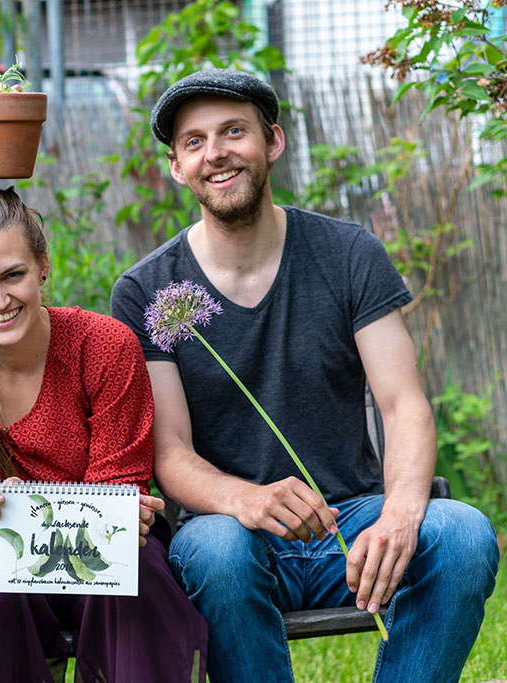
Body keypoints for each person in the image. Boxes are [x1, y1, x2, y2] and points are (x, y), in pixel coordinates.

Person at [111, 68, 500, 682]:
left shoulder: (348, 255)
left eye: (234, 131)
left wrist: (399, 512)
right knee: (213, 549)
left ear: (273, 142)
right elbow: (171, 453)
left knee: (464, 534)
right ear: (177, 167)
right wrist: (248, 499)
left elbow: (404, 405)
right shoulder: (148, 291)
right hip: (234, 542)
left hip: (352, 530)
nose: (215, 153)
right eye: (194, 141)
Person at [0, 186, 208, 683]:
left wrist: (80, 512)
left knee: (138, 572)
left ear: (43, 265)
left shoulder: (104, 345)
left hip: (104, 550)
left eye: (14, 275)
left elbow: (119, 484)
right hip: (0, 559)